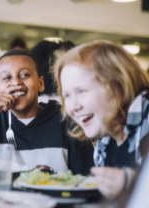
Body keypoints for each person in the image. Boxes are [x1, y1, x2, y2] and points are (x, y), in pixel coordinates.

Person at [0, 49, 94, 175]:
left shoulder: (67, 122)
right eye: (7, 78)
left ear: (41, 83)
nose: (16, 82)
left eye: (24, 75)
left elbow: (87, 178)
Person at [54, 40, 149, 199]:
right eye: (67, 96)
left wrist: (131, 184)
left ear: (117, 86)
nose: (73, 106)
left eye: (82, 91)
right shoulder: (105, 143)